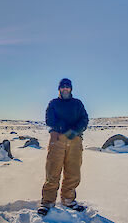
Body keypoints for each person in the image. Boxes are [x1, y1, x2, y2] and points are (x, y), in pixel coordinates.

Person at [38, 78, 89, 215]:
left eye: (68, 87)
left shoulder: (77, 104)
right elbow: (50, 119)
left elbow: (84, 119)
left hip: (75, 141)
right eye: (63, 87)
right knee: (52, 171)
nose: (65, 89)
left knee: (73, 172)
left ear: (71, 89)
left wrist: (76, 131)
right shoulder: (53, 103)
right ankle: (47, 201)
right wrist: (65, 128)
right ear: (59, 89)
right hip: (57, 139)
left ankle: (68, 200)